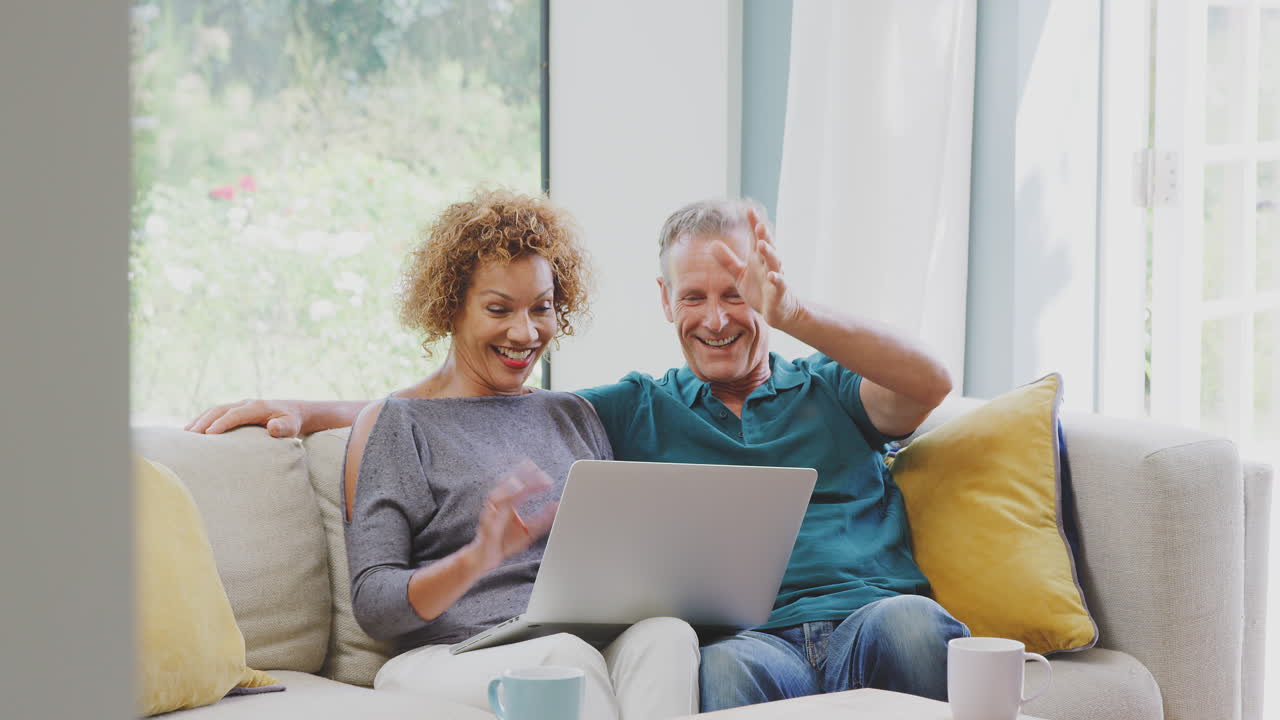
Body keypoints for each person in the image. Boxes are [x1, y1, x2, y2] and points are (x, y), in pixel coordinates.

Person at [189, 197, 969, 712]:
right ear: (664, 303)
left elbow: (931, 380)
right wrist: (309, 408)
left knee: (893, 627)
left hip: (866, 613)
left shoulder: (822, 391)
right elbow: (451, 418)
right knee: (715, 665)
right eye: (694, 296)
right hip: (731, 646)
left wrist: (794, 311)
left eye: (738, 296)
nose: (717, 318)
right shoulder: (633, 408)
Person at [250, 189, 700, 720]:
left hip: (568, 638)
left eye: (542, 308)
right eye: (498, 309)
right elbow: (375, 605)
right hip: (442, 658)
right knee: (566, 659)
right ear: (451, 307)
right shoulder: (398, 423)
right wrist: (477, 558)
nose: (525, 332)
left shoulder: (573, 415)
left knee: (666, 636)